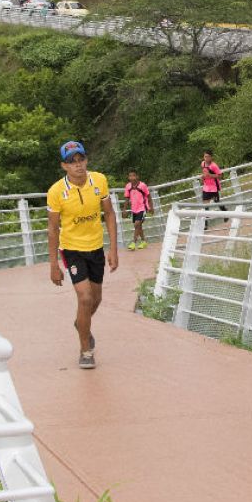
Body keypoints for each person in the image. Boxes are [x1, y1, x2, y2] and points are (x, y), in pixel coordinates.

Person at [47, 141, 120, 370]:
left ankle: (81, 324)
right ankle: (85, 350)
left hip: (96, 247)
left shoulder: (99, 180)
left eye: (81, 160)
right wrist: (53, 265)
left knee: (96, 299)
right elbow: (52, 229)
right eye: (72, 162)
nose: (78, 165)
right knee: (85, 298)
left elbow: (109, 214)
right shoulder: (56, 191)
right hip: (72, 249)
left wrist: (114, 249)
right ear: (64, 166)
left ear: (86, 160)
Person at [124, 170, 152, 250]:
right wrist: (124, 210)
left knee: (137, 224)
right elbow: (126, 198)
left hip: (142, 208)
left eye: (133, 175)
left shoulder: (142, 185)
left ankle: (133, 242)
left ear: (137, 176)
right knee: (138, 226)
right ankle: (143, 241)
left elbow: (148, 196)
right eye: (130, 176)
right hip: (134, 209)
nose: (132, 177)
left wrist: (151, 207)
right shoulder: (128, 186)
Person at [201, 150, 226, 216]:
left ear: (211, 157)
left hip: (214, 187)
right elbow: (204, 173)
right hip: (206, 187)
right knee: (206, 205)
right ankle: (205, 223)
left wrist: (210, 175)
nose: (206, 158)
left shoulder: (214, 166)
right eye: (205, 156)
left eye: (208, 157)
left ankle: (225, 212)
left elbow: (220, 176)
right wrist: (203, 176)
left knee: (217, 201)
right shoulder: (203, 163)